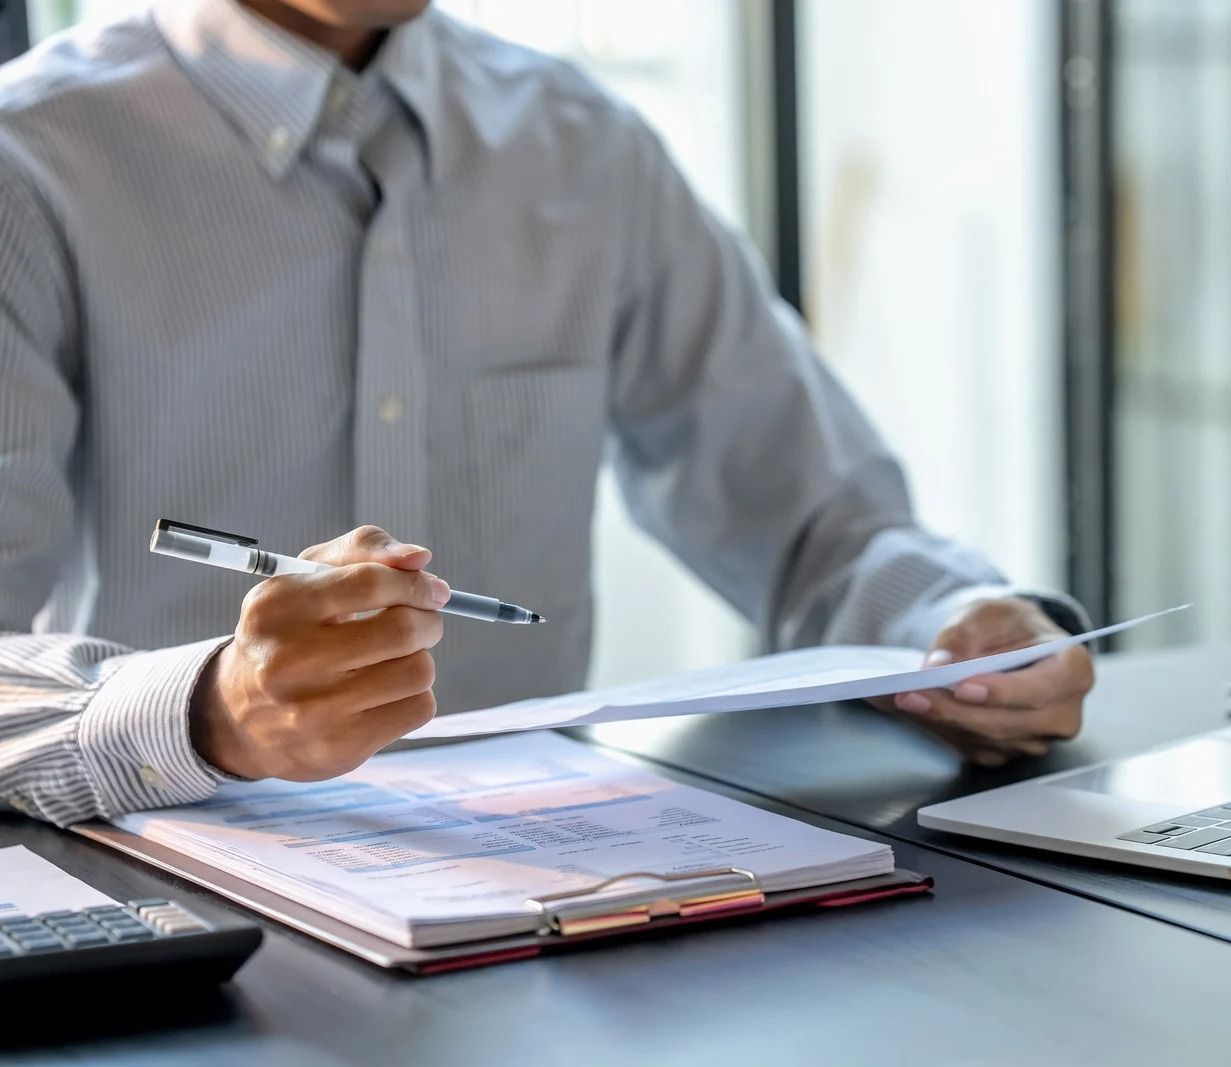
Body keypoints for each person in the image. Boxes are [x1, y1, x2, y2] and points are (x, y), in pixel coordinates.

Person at [0, 0, 1095, 827]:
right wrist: (208, 712)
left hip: (551, 887)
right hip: (171, 911)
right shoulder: (32, 162)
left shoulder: (585, 145)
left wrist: (958, 630)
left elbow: (810, 516)